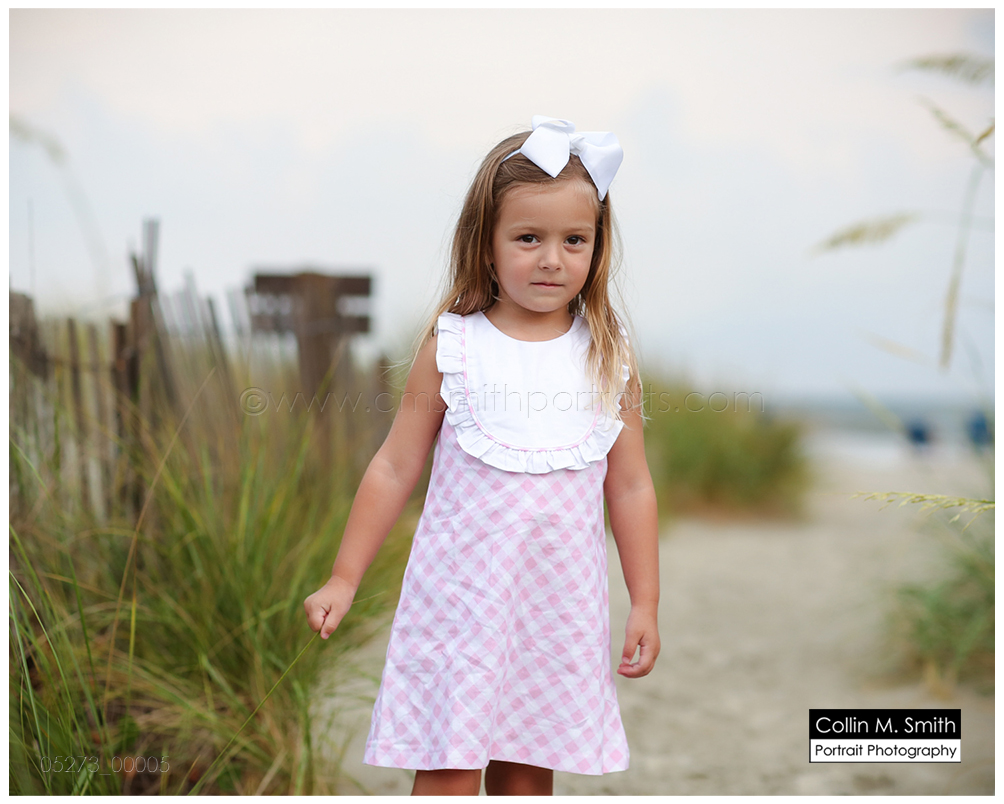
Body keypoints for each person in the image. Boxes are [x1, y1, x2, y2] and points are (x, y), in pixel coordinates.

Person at [304, 116, 660, 796]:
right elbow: (393, 465)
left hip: (555, 613)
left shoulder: (608, 358)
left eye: (573, 240)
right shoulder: (454, 347)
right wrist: (344, 578)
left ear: (596, 247)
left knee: (527, 774)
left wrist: (645, 600)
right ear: (488, 247)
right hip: (459, 605)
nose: (552, 259)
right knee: (448, 770)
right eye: (529, 238)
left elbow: (632, 488)